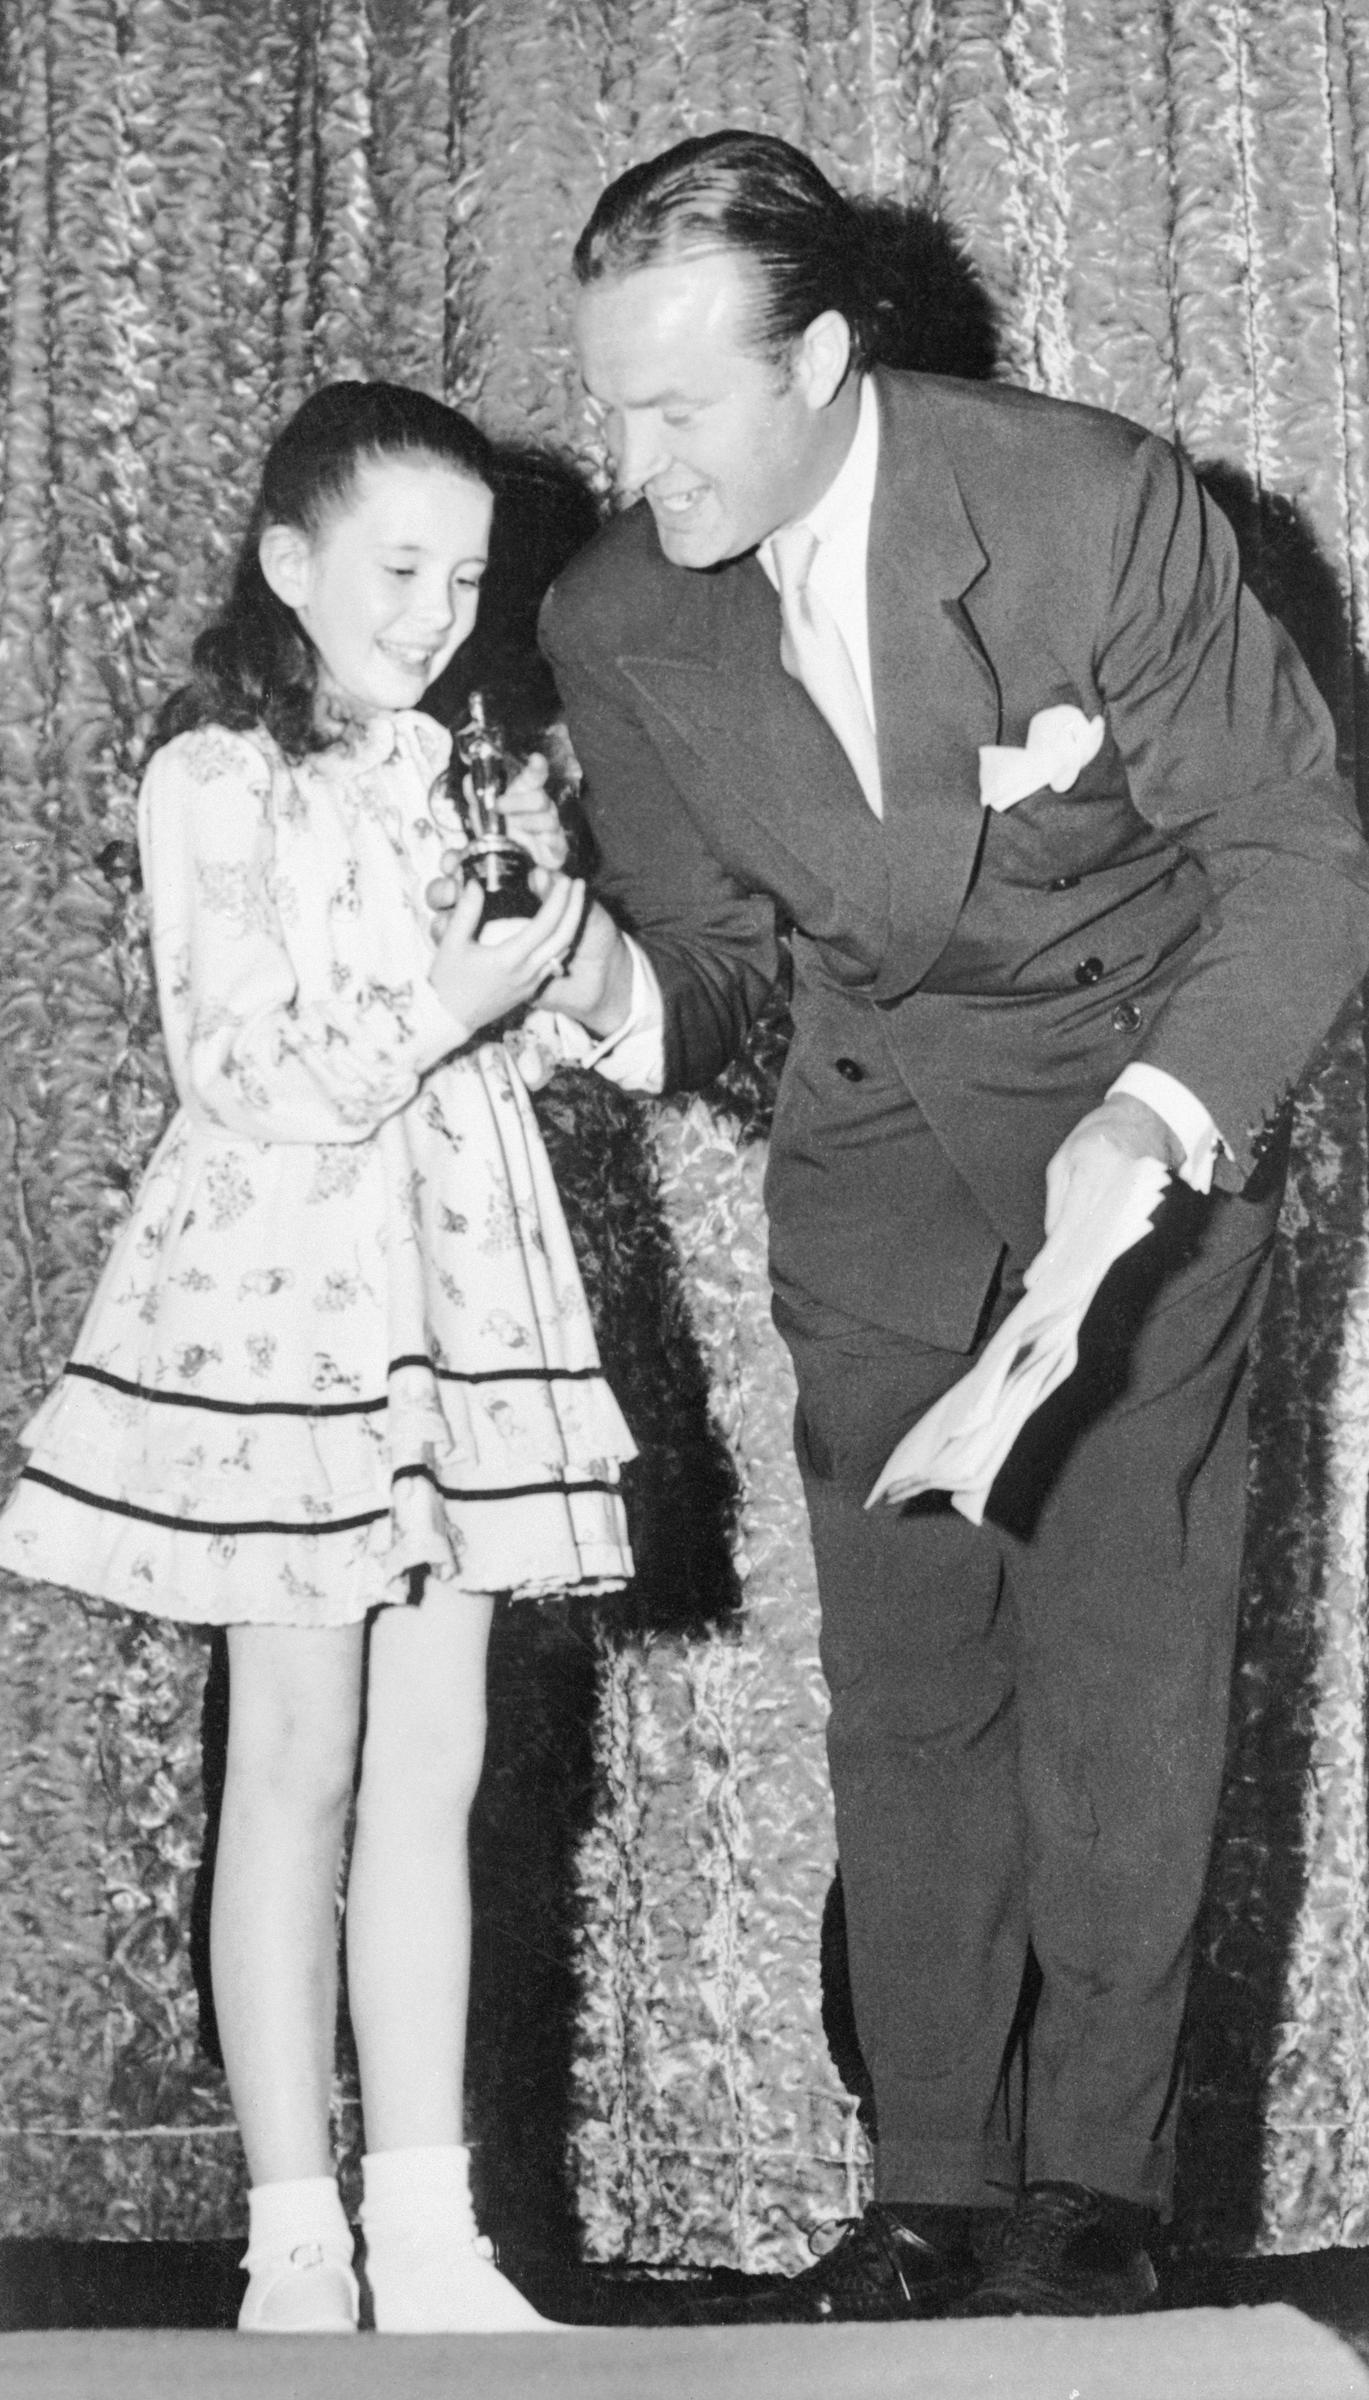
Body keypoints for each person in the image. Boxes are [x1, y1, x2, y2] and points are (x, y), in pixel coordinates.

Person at [513, 131, 1369, 2317]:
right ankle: (924, 2189)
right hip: (878, 1147)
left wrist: (1162, 1114)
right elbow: (716, 970)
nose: (634, 458)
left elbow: (1294, 857)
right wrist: (604, 992)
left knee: (1118, 1666)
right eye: (611, 403)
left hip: (1136, 1122)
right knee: (906, 1686)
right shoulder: (615, 615)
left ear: (821, 357)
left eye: (678, 407)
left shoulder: (1087, 501)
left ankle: (1093, 2195)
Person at [0, 381, 637, 2335]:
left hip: (455, 1304)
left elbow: (555, 1031)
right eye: (398, 568)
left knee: (433, 1772)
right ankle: (298, 2228)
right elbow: (246, 1070)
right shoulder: (215, 772)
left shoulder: (466, 765)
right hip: (283, 1312)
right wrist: (450, 991)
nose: (440, 608)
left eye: (466, 575)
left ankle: (432, 2227)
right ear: (291, 565)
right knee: (293, 1766)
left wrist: (576, 972)